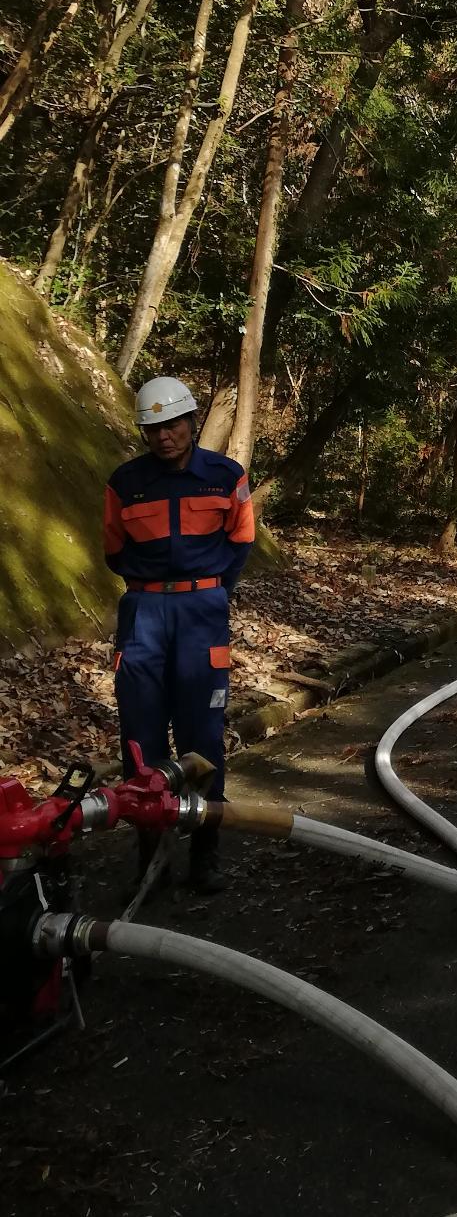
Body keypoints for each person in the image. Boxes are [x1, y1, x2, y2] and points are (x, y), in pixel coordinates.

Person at [103, 376, 255, 895]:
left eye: (173, 424)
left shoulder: (226, 476)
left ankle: (205, 855)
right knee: (140, 740)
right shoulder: (125, 482)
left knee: (203, 736)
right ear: (143, 433)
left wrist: (210, 591)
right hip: (143, 613)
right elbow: (113, 548)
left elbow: (241, 538)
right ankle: (152, 860)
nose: (164, 436)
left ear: (191, 421)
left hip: (202, 613)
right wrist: (152, 587)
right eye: (154, 429)